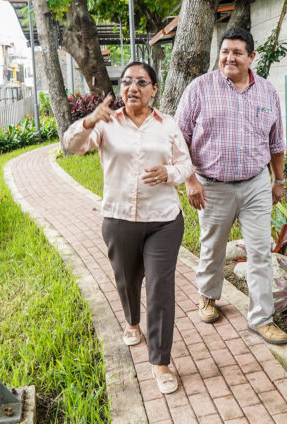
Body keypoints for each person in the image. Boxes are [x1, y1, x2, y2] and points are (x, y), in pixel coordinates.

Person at [63, 61, 192, 394]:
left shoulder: (168, 125)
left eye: (141, 82)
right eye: (126, 81)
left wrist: (171, 174)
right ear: (121, 89)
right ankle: (132, 321)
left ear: (153, 89)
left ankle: (160, 361)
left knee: (161, 286)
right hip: (120, 219)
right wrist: (90, 119)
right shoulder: (107, 124)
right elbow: (71, 146)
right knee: (127, 279)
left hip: (164, 219)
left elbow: (185, 162)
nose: (132, 87)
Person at [175, 27, 287, 345]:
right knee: (213, 247)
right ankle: (208, 296)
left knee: (260, 251)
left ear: (252, 57)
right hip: (213, 186)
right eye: (225, 51)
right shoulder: (199, 89)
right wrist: (191, 181)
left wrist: (279, 181)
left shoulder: (268, 92)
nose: (230, 57)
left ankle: (261, 318)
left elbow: (276, 143)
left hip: (255, 185)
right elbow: (178, 139)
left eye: (238, 52)